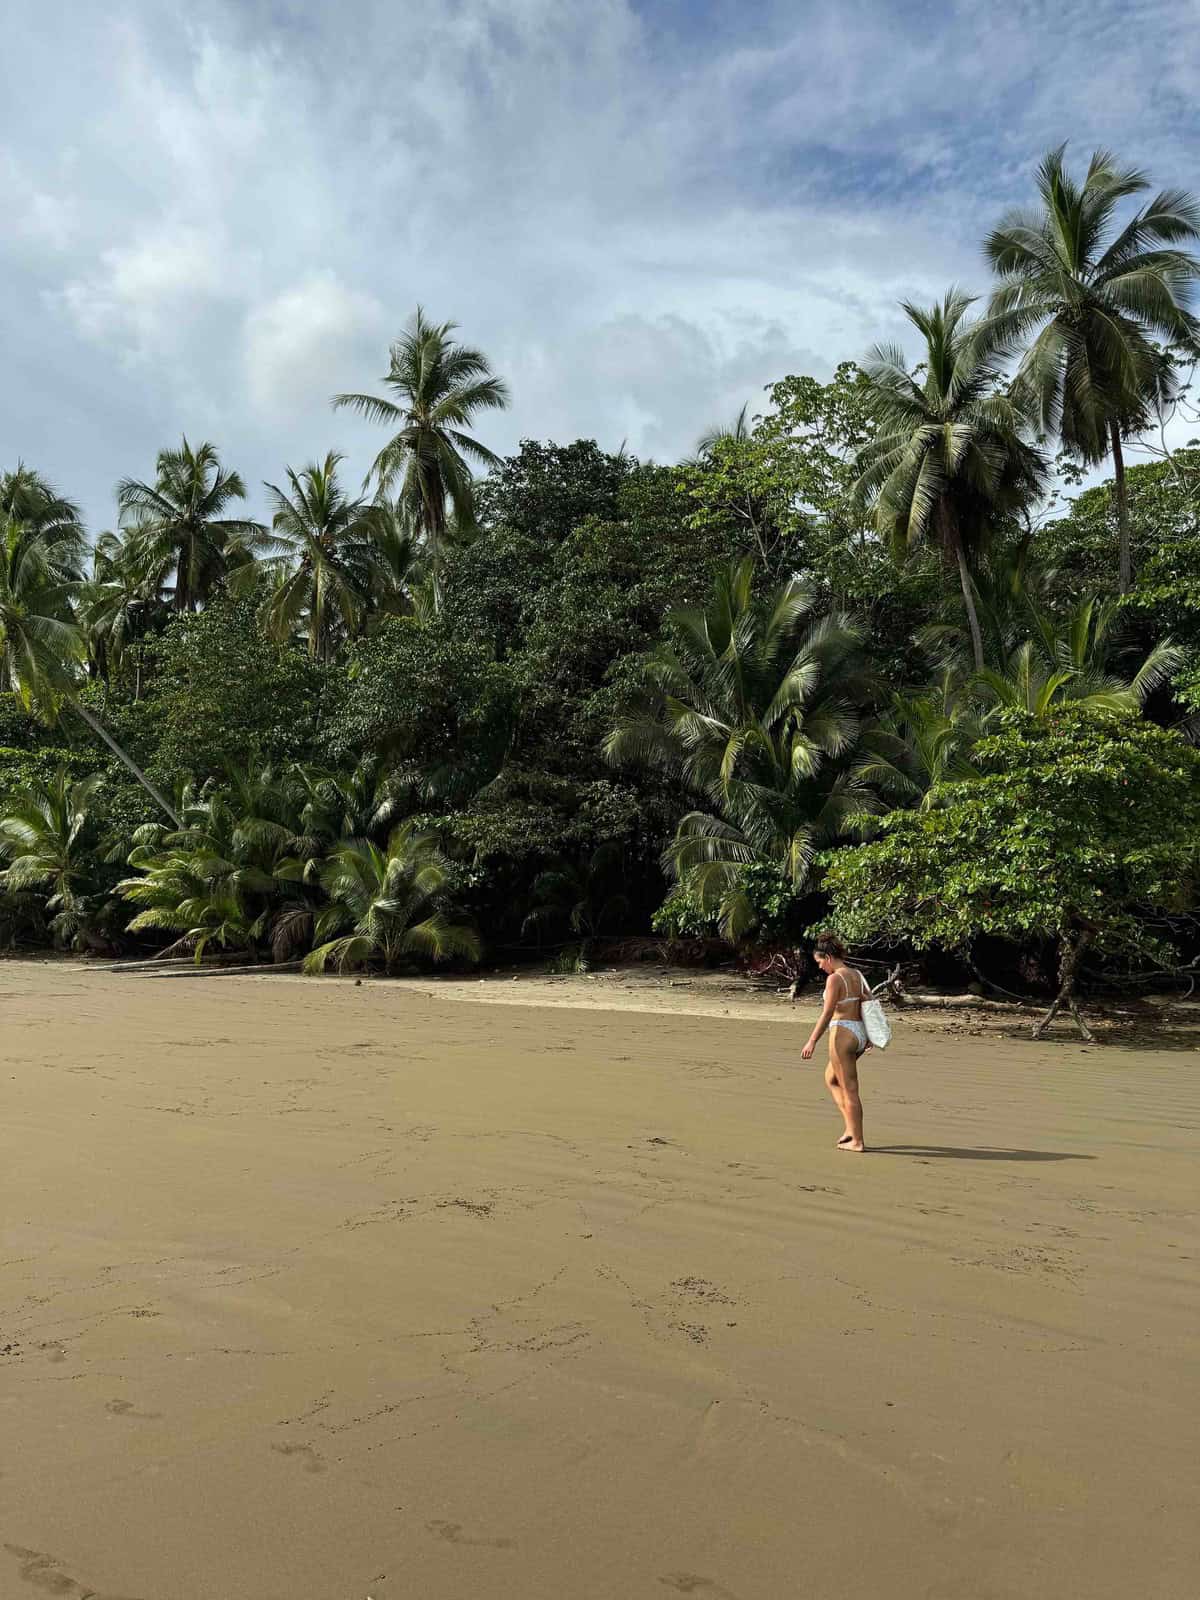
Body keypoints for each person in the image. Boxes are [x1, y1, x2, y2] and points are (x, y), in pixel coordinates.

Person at [800, 932, 870, 1151]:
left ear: (828, 957)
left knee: (850, 1089)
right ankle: (850, 1129)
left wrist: (812, 1041)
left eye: (820, 962)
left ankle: (857, 1141)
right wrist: (868, 1035)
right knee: (831, 1078)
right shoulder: (857, 974)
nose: (820, 967)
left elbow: (827, 1013)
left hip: (842, 1032)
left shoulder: (835, 979)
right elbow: (868, 1001)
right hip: (858, 1032)